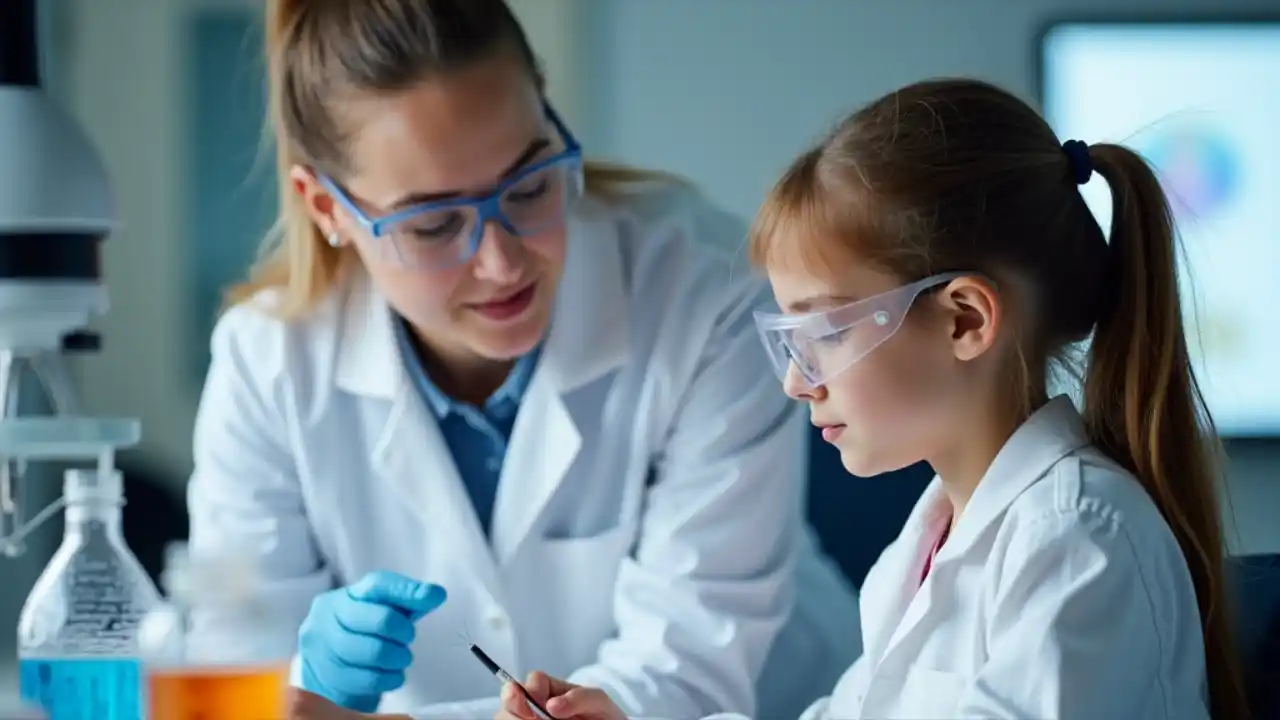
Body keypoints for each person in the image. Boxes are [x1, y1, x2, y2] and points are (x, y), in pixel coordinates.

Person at [492, 77, 1254, 720]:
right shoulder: (927, 545)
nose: (797, 380)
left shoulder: (1077, 539)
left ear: (964, 320)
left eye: (825, 332)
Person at [187, 0, 861, 719]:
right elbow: (237, 670)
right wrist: (302, 677)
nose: (503, 261)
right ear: (326, 208)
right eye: (436, 223)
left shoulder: (704, 294)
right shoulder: (267, 362)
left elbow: (683, 672)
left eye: (531, 184)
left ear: (545, 109)